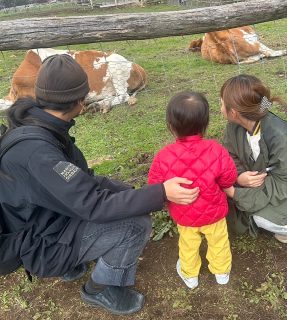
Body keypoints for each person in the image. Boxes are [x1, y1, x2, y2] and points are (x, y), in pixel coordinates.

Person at [0, 54, 200, 315]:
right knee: (135, 224)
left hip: (40, 218)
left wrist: (135, 193)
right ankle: (102, 287)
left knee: (126, 202)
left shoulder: (35, 124)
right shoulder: (39, 153)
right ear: (80, 102)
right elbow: (93, 204)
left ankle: (72, 263)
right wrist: (160, 193)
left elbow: (82, 181)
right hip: (38, 242)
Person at [148, 91, 237, 289]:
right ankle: (222, 272)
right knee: (219, 241)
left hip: (184, 215)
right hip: (214, 213)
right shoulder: (217, 150)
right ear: (205, 124)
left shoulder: (163, 156)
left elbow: (155, 185)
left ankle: (190, 276)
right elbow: (229, 178)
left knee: (188, 244)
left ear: (171, 126)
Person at [220, 74, 287, 243]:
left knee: (260, 217)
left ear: (234, 112)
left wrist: (235, 193)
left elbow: (286, 181)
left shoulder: (282, 138)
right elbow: (230, 154)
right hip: (266, 181)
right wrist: (239, 176)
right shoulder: (234, 126)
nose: (220, 107)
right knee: (232, 214)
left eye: (221, 103)